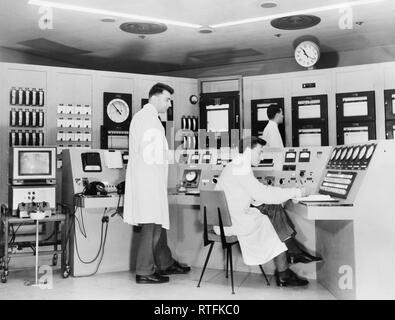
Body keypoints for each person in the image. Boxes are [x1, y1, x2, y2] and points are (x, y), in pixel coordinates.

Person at [214, 137, 309, 286]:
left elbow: (252, 195)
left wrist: (277, 195)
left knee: (269, 215)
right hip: (231, 222)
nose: (262, 156)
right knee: (269, 221)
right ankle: (287, 262)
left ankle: (289, 258)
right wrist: (295, 191)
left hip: (226, 218)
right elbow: (261, 193)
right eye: (260, 152)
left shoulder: (236, 165)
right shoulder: (240, 167)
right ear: (248, 151)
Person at [123, 82, 190, 284]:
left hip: (148, 179)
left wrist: (174, 154)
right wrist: (177, 154)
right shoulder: (149, 120)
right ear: (155, 97)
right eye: (167, 99)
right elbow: (154, 155)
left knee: (157, 224)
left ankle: (163, 262)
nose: (169, 104)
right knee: (152, 225)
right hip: (149, 181)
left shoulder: (145, 118)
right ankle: (144, 270)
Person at [259, 105, 322, 264]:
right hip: (274, 178)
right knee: (275, 209)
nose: (283, 116)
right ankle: (294, 251)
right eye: (281, 113)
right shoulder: (272, 130)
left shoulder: (268, 129)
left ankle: (293, 252)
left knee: (276, 210)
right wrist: (293, 190)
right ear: (276, 114)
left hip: (270, 181)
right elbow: (279, 156)